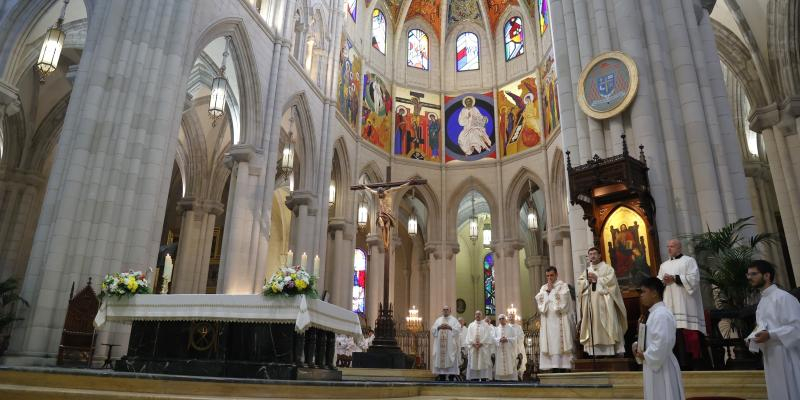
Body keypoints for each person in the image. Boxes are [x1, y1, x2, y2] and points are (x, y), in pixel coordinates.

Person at [746, 260, 800, 400]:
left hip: (785, 353)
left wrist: (771, 335)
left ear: (767, 275)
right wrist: (753, 339)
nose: (749, 277)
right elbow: (762, 327)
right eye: (748, 274)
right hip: (770, 355)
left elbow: (796, 328)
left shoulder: (784, 297)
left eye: (753, 274)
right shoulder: (762, 302)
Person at [657, 239, 706, 369]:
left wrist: (675, 278)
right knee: (674, 334)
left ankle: (694, 364)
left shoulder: (689, 261)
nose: (669, 249)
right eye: (668, 246)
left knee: (688, 334)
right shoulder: (663, 265)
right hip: (670, 304)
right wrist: (663, 281)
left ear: (679, 247)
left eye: (672, 246)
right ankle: (678, 364)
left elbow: (694, 279)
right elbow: (658, 284)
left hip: (686, 305)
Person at [633, 277, 685, 400]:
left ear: (655, 293)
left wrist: (646, 355)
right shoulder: (654, 313)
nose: (641, 296)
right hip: (654, 364)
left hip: (662, 366)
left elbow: (663, 342)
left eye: (644, 292)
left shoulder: (661, 314)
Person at [577, 247, 627, 356]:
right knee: (593, 326)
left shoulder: (607, 269)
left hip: (605, 303)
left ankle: (610, 351)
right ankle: (595, 352)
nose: (592, 256)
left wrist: (597, 279)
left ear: (600, 255)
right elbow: (580, 284)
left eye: (595, 253)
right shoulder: (587, 270)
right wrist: (586, 282)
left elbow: (612, 284)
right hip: (591, 304)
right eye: (590, 254)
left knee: (607, 324)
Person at [535, 266, 574, 371]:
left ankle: (563, 367)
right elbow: (540, 304)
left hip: (559, 320)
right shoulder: (543, 288)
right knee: (550, 344)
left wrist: (551, 291)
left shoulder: (563, 286)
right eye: (547, 276)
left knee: (559, 343)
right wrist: (547, 292)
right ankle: (552, 366)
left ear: (556, 275)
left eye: (551, 275)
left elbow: (563, 304)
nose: (549, 278)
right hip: (547, 321)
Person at [431, 305, 461, 381]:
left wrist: (450, 327)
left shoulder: (454, 320)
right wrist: (439, 327)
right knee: (441, 361)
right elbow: (433, 329)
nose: (445, 311)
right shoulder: (438, 320)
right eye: (444, 309)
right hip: (440, 347)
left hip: (450, 346)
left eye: (447, 309)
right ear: (442, 311)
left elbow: (458, 329)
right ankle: (442, 377)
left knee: (450, 358)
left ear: (450, 311)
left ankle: (451, 377)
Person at [465, 310, 494, 381]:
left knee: (483, 362)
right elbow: (468, 336)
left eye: (479, 314)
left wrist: (481, 343)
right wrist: (473, 343)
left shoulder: (486, 325)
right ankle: (474, 378)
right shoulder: (471, 325)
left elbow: (488, 336)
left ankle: (483, 377)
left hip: (483, 347)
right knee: (473, 362)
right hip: (473, 347)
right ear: (475, 315)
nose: (477, 315)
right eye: (476, 314)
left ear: (482, 316)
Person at [493, 314, 519, 381]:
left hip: (508, 350)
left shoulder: (511, 329)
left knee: (509, 363)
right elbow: (493, 339)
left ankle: (510, 378)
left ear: (505, 319)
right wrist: (499, 339)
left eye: (503, 318)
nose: (501, 320)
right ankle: (500, 378)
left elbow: (515, 339)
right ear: (499, 320)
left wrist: (507, 339)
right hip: (499, 350)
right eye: (500, 319)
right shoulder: (496, 329)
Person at [508, 313, 527, 380]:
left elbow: (522, 336)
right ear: (508, 318)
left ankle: (520, 375)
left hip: (518, 347)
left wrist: (515, 340)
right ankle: (511, 376)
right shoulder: (507, 327)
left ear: (514, 318)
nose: (511, 318)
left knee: (519, 362)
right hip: (510, 348)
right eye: (510, 317)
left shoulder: (518, 327)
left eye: (512, 317)